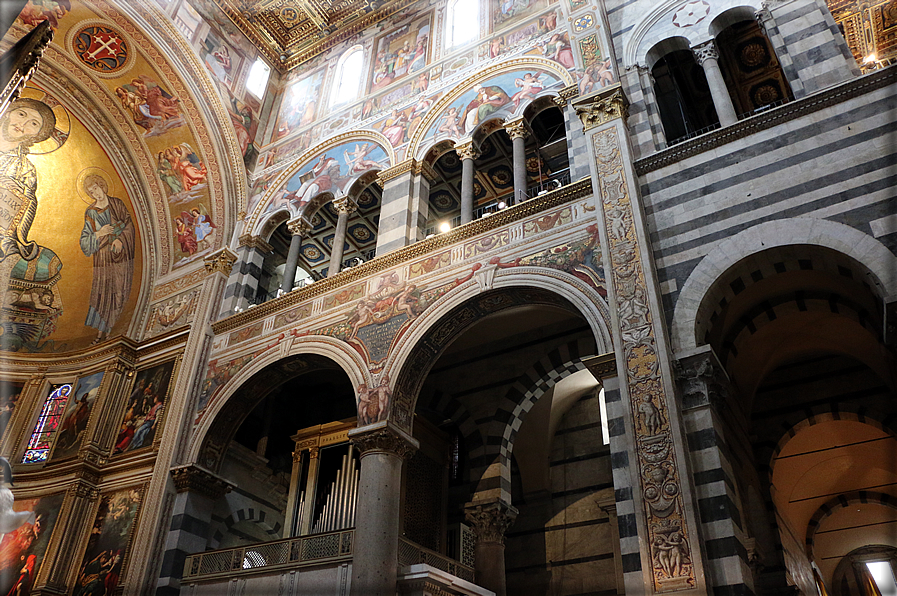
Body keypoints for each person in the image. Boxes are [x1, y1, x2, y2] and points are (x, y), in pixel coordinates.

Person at [0, 98, 64, 347]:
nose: (22, 124)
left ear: (35, 136)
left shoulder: (24, 168)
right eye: (21, 114)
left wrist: (18, 238)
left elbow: (27, 205)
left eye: (32, 123)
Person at [79, 173, 135, 344]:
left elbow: (129, 224)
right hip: (102, 259)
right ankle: (99, 333)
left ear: (101, 185)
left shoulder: (117, 204)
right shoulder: (91, 212)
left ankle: (114, 329)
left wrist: (120, 239)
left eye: (96, 188)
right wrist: (99, 233)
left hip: (120, 256)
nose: (95, 193)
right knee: (102, 293)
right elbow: (84, 241)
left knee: (118, 290)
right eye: (91, 192)